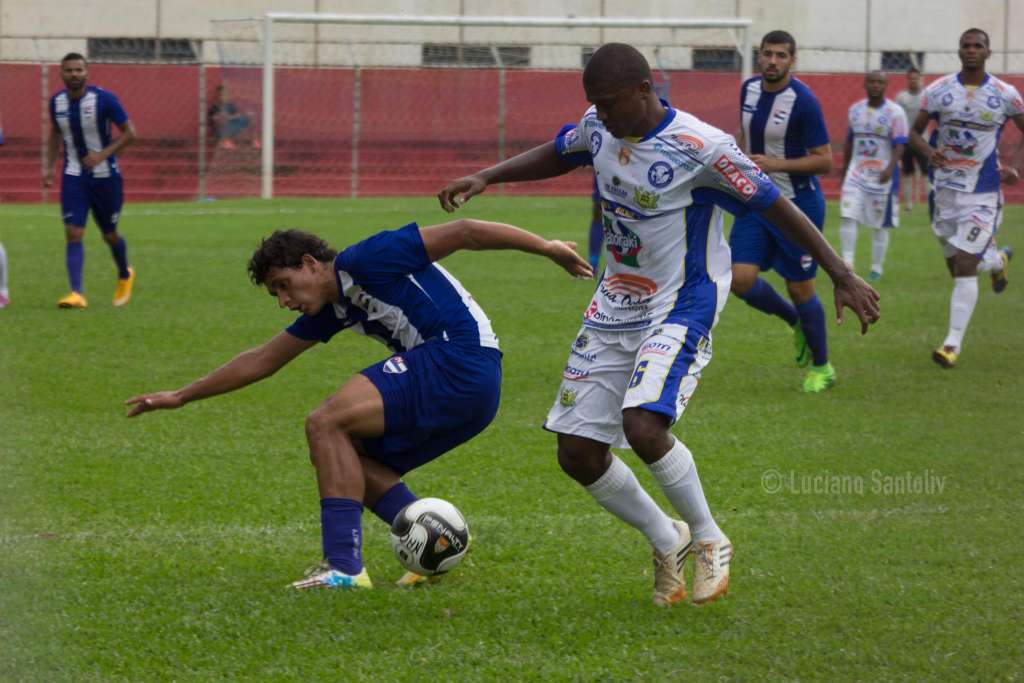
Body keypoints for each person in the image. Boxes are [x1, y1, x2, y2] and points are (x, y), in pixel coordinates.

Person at [437, 43, 879, 607]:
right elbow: (561, 150)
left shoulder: (701, 147)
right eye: (594, 104)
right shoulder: (600, 126)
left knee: (644, 424)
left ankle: (709, 536)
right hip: (614, 303)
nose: (601, 114)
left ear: (645, 89)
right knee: (577, 452)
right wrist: (487, 176)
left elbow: (773, 205)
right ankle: (666, 537)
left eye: (609, 102)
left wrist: (840, 272)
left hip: (681, 302)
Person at [125, 219, 592, 589]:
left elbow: (464, 231)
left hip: (459, 358)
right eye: (275, 294)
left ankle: (343, 568)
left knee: (325, 423)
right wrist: (180, 396)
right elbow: (263, 359)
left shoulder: (365, 259)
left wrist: (546, 247)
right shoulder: (334, 306)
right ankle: (433, 542)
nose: (284, 300)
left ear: (310, 263)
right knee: (346, 458)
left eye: (284, 285)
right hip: (475, 392)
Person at [730, 31, 837, 393]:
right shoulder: (749, 90)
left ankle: (823, 368)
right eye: (767, 54)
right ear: (759, 56)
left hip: (798, 206)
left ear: (792, 60)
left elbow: (825, 161)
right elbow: (745, 136)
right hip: (757, 202)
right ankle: (794, 321)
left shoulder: (803, 101)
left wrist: (775, 164)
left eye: (780, 55)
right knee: (739, 279)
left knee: (800, 286)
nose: (772, 61)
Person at [908, 28, 1022, 369]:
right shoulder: (938, 91)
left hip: (983, 193)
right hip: (944, 192)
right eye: (966, 46)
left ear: (988, 52)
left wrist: (1014, 167)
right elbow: (913, 133)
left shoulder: (1005, 94)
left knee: (964, 263)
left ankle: (951, 344)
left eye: (978, 46)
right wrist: (928, 152)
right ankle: (998, 262)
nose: (972, 50)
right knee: (955, 264)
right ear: (959, 51)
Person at [44, 52, 137, 309]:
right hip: (74, 175)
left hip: (106, 178)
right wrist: (50, 167)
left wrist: (102, 155)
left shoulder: (104, 99)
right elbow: (55, 133)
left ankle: (124, 273)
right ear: (61, 73)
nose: (74, 74)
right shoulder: (56, 103)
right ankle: (76, 293)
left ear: (87, 72)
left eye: (79, 70)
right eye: (69, 70)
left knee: (110, 235)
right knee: (73, 232)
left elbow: (131, 133)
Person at [838, 71, 909, 280]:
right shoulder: (855, 110)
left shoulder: (895, 113)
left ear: (886, 86)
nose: (876, 85)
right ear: (865, 84)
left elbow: (900, 144)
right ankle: (847, 263)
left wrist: (890, 169)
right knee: (848, 215)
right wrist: (845, 169)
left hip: (882, 176)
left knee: (879, 225)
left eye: (880, 82)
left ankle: (876, 268)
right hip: (856, 173)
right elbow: (850, 142)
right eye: (872, 82)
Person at [895, 67, 929, 211]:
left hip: (922, 140)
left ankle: (929, 202)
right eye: (911, 78)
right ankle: (908, 204)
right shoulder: (901, 97)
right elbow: (897, 118)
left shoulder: (926, 96)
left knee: (926, 172)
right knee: (907, 172)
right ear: (908, 80)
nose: (914, 81)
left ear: (920, 79)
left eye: (916, 78)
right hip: (907, 140)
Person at [208, 84, 258, 150]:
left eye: (225, 94)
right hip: (220, 131)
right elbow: (214, 120)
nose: (224, 96)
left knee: (250, 115)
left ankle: (254, 141)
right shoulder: (214, 107)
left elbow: (237, 115)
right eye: (222, 95)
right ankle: (225, 142)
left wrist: (231, 117)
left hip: (232, 127)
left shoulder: (230, 105)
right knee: (223, 116)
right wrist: (226, 117)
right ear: (218, 96)